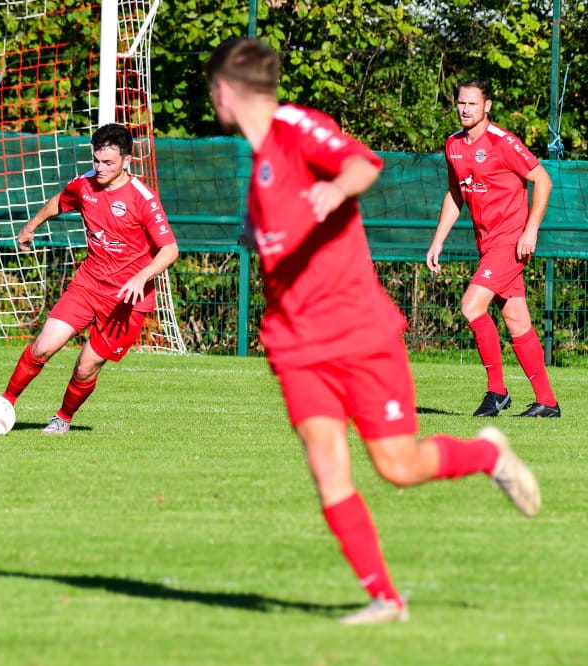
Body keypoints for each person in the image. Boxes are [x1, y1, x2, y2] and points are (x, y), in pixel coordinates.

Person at [205, 38, 540, 625]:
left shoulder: (295, 128)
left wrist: (335, 188)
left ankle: (488, 454)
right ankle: (386, 599)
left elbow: (363, 164)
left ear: (225, 91)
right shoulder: (257, 169)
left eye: (212, 90)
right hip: (296, 342)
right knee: (327, 463)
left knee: (398, 466)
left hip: (358, 330)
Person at [0, 123, 178, 434]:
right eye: (96, 160)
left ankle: (63, 418)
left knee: (86, 367)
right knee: (43, 347)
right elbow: (60, 200)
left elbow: (170, 250)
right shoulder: (85, 184)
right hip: (87, 286)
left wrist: (141, 277)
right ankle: (4, 404)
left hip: (126, 302)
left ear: (127, 160)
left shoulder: (143, 198)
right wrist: (31, 225)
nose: (100, 168)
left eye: (108, 162)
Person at [426, 80, 560, 418]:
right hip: (487, 244)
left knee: (471, 306)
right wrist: (438, 240)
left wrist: (530, 230)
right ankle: (547, 402)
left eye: (472, 103)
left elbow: (543, 180)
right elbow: (455, 193)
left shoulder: (503, 142)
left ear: (487, 106)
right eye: (461, 103)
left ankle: (497, 392)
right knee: (516, 320)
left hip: (511, 241)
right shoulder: (453, 145)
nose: (465, 109)